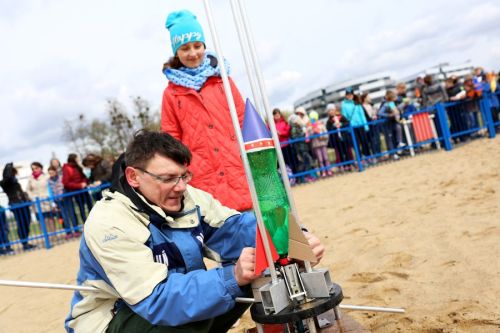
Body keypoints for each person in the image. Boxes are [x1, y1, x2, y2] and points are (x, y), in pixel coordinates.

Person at [65, 130, 324, 333]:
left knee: (265, 267)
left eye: (184, 176)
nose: (180, 187)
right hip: (117, 320)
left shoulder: (189, 197)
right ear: (133, 177)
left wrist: (289, 235)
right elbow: (156, 300)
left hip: (173, 305)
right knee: (233, 281)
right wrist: (232, 277)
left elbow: (235, 228)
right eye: (168, 178)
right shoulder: (109, 223)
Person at [160, 9, 251, 212]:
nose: (193, 53)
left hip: (236, 165)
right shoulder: (171, 94)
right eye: (185, 48)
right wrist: (181, 170)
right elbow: (170, 138)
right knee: (219, 229)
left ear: (204, 46)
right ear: (177, 52)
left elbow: (243, 118)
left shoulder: (223, 81)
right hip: (201, 175)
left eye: (197, 46)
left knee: (254, 227)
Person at [0, 163, 36, 250]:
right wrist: (8, 167)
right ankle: (24, 243)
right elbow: (7, 178)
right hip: (15, 204)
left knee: (26, 222)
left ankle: (25, 241)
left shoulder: (15, 181)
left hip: (23, 203)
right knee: (21, 223)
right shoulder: (5, 182)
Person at [62, 154, 91, 238]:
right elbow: (66, 183)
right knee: (73, 211)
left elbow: (83, 177)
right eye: (77, 158)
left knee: (84, 209)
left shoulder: (77, 167)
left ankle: (88, 227)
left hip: (81, 192)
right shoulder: (67, 168)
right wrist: (79, 185)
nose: (78, 160)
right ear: (73, 159)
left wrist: (84, 182)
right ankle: (76, 230)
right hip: (72, 193)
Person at [26, 162, 55, 234]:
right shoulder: (30, 179)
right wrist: (32, 197)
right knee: (42, 221)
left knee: (50, 219)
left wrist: (49, 197)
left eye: (36, 168)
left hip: (47, 201)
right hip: (37, 203)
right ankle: (46, 237)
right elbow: (27, 190)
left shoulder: (46, 176)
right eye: (33, 169)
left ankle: (54, 235)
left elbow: (51, 187)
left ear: (40, 168)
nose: (35, 170)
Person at [378, 90, 404, 160]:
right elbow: (380, 113)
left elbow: (396, 109)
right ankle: (393, 154)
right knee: (389, 139)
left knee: (398, 128)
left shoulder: (392, 103)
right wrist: (389, 115)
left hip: (392, 122)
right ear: (391, 98)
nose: (396, 98)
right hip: (386, 124)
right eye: (394, 97)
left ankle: (399, 143)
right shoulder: (385, 104)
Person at [325, 104, 352, 171]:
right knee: (340, 153)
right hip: (336, 140)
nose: (331, 111)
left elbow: (348, 123)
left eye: (332, 110)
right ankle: (344, 165)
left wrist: (341, 124)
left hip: (344, 137)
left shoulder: (341, 117)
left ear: (335, 110)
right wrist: (334, 126)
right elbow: (328, 129)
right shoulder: (329, 121)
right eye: (329, 110)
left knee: (347, 151)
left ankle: (349, 165)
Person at [273, 108, 298, 174]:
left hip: (286, 145)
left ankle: (294, 176)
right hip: (278, 147)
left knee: (290, 161)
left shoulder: (285, 122)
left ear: (280, 114)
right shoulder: (271, 124)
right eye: (275, 115)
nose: (277, 116)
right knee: (282, 163)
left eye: (278, 114)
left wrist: (280, 133)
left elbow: (287, 132)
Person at [308, 111, 332, 177]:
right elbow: (309, 136)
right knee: (320, 159)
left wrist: (322, 136)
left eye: (314, 118)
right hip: (316, 145)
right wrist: (313, 131)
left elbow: (326, 134)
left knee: (326, 158)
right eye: (312, 119)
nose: (314, 120)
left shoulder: (321, 125)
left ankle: (329, 170)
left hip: (323, 143)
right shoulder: (310, 127)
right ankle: (323, 172)